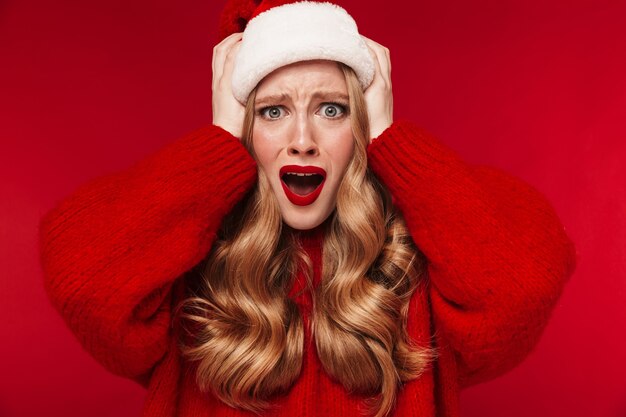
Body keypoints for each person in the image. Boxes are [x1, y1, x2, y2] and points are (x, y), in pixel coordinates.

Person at [38, 1, 577, 416]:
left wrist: (390, 139)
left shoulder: (416, 267)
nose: (301, 139)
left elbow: (524, 284)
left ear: (361, 123)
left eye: (332, 109)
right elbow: (84, 280)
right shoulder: (184, 267)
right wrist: (221, 143)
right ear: (244, 127)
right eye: (272, 111)